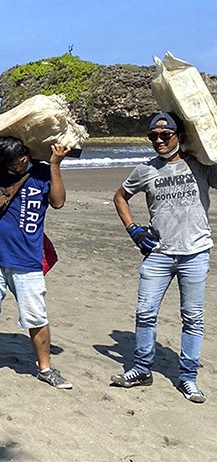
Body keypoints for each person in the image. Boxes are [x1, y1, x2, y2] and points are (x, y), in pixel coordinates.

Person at [110, 112, 216, 403]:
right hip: (158, 253)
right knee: (145, 312)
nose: (158, 140)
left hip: (194, 253)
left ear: (179, 136)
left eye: (165, 135)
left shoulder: (201, 166)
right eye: (153, 136)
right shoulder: (145, 170)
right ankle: (142, 369)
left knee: (192, 318)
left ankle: (188, 378)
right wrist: (133, 230)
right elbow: (120, 196)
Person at [0, 136, 73, 389]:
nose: (18, 166)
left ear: (27, 153)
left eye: (21, 160)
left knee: (36, 315)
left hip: (28, 259)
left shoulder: (43, 173)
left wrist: (55, 165)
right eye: (12, 163)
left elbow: (58, 202)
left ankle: (45, 368)